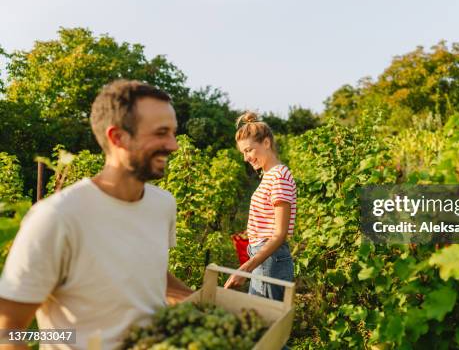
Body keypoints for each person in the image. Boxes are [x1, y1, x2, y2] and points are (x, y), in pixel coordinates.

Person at [0, 80, 193, 349]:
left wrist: (203, 304)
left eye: (173, 132)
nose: (173, 145)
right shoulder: (57, 218)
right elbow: (9, 333)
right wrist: (68, 338)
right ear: (117, 137)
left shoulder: (163, 205)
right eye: (161, 133)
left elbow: (153, 274)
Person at [224, 112, 296, 301]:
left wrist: (245, 268)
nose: (246, 158)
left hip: (269, 260)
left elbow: (279, 235)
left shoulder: (279, 176)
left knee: (264, 322)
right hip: (264, 258)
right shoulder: (270, 175)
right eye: (243, 153)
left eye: (249, 150)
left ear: (266, 143)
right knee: (260, 319)